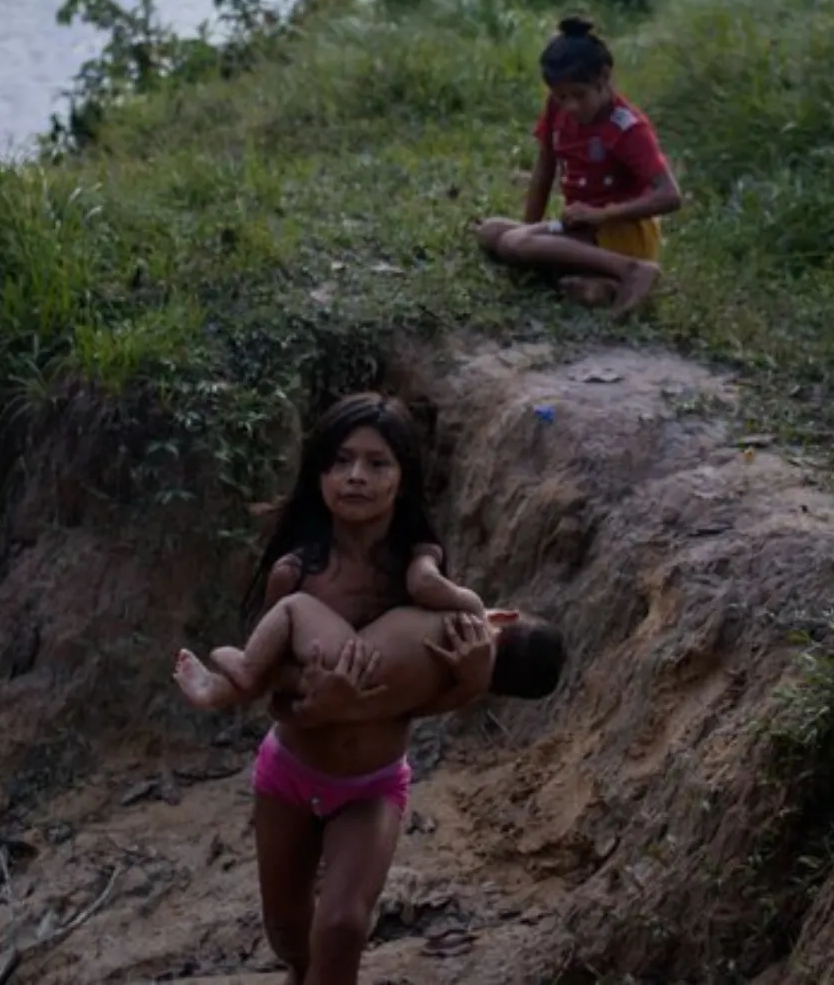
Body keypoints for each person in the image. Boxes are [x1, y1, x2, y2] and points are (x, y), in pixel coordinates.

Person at [221, 392, 484, 985]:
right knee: (291, 937)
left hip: (372, 783)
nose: (356, 476)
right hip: (289, 773)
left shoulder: (421, 583)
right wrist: (323, 705)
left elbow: (422, 698)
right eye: (340, 461)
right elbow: (276, 696)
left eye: (376, 463)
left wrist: (469, 678)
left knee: (341, 927)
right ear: (319, 475)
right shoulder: (296, 575)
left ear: (403, 479)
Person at [472, 15, 683, 315]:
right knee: (492, 231)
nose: (570, 106)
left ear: (603, 77)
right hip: (585, 227)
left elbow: (670, 196)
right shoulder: (557, 108)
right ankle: (597, 286)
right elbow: (545, 164)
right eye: (561, 97)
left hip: (620, 231)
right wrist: (531, 227)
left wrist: (602, 214)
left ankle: (631, 269)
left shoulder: (627, 128)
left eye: (580, 96)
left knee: (515, 243)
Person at [172, 589, 562, 713]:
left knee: (295, 606)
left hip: (351, 651)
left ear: (506, 617)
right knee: (278, 678)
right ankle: (215, 691)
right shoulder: (466, 690)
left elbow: (422, 582)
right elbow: (419, 711)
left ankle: (245, 664)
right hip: (358, 698)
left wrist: (427, 561)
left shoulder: (470, 611)